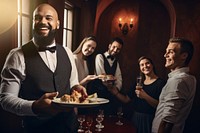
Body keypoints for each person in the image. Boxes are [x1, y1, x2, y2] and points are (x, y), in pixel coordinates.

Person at [0, 4, 87, 133]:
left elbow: (72, 83)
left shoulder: (68, 52)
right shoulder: (17, 55)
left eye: (48, 18)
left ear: (57, 24)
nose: (42, 22)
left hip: (69, 127)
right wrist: (34, 106)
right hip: (37, 129)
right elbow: (6, 99)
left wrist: (76, 88)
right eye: (37, 18)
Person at [108, 56, 166, 133]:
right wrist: (115, 93)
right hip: (136, 118)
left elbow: (161, 106)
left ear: (152, 65)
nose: (145, 66)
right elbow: (126, 100)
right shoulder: (139, 83)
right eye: (142, 65)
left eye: (147, 63)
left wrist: (145, 96)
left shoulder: (161, 83)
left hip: (150, 119)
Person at [152, 37, 196, 133]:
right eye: (166, 52)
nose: (165, 55)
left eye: (170, 52)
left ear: (184, 55)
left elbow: (168, 121)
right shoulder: (191, 78)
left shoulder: (178, 81)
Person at [94, 37, 123, 115]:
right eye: (114, 47)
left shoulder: (116, 62)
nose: (115, 50)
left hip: (111, 94)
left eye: (118, 49)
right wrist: (109, 82)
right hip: (99, 93)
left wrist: (116, 88)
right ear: (109, 46)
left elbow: (119, 78)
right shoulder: (99, 57)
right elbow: (102, 76)